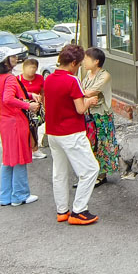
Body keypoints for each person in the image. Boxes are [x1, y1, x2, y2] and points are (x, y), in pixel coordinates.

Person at [44, 44, 100, 225]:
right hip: (71, 133)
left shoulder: (49, 79)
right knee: (91, 169)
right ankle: (79, 210)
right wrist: (89, 101)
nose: (79, 68)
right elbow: (80, 109)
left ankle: (62, 210)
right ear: (73, 63)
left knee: (59, 172)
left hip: (53, 132)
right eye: (79, 64)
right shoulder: (71, 80)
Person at [0, 47, 39, 207]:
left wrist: (28, 96)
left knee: (8, 160)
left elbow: (8, 96)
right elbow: (8, 99)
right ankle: (20, 195)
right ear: (5, 61)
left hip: (5, 122)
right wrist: (29, 106)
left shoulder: (1, 77)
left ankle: (5, 196)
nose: (15, 58)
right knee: (19, 159)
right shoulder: (10, 78)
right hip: (15, 122)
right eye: (11, 57)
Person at [81, 47, 119, 187]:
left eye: (87, 59)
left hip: (102, 116)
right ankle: (90, 174)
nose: (84, 61)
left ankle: (101, 174)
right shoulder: (88, 74)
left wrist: (79, 93)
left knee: (102, 144)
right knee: (89, 144)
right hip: (89, 114)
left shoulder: (104, 75)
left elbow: (89, 92)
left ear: (96, 61)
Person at [19, 58, 47, 160]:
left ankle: (34, 149)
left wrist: (43, 104)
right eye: (30, 68)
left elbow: (43, 92)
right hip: (24, 108)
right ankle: (26, 150)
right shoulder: (19, 79)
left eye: (34, 68)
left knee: (34, 128)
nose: (32, 70)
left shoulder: (39, 78)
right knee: (25, 129)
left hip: (36, 108)